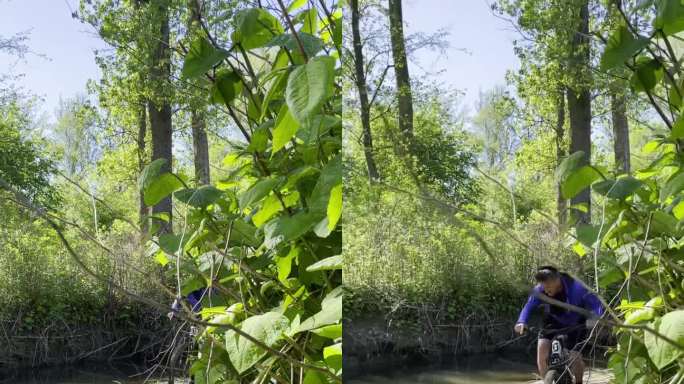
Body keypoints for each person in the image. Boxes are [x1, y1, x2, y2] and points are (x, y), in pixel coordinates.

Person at [514, 266, 604, 383]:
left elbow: (596, 304)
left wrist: (596, 318)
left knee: (574, 357)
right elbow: (529, 306)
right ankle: (546, 380)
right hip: (552, 320)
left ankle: (579, 382)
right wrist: (521, 322)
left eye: (548, 287)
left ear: (557, 280)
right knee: (542, 354)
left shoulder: (577, 287)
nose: (545, 290)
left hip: (576, 323)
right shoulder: (540, 289)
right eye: (543, 287)